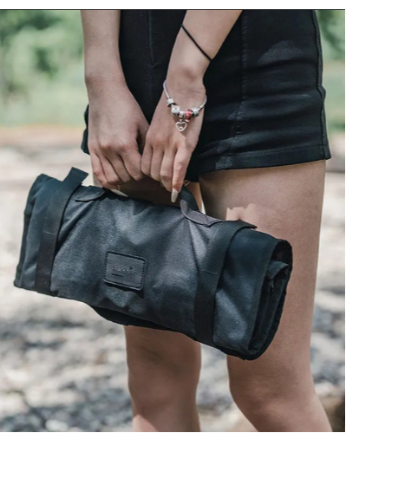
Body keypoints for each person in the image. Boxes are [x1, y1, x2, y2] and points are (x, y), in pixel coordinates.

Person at [80, 9, 332, 432]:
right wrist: (101, 82)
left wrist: (184, 76)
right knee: (155, 374)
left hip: (255, 58)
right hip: (132, 74)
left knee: (269, 389)